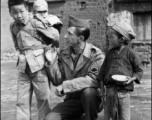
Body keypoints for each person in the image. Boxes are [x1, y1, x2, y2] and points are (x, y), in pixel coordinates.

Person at [44, 15, 105, 120]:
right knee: (50, 118)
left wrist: (65, 86)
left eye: (69, 34)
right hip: (72, 99)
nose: (65, 36)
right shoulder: (64, 54)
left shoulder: (96, 54)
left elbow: (93, 80)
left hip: (91, 100)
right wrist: (51, 61)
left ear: (80, 38)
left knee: (89, 92)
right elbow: (58, 81)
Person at [8, 0, 59, 120]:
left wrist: (48, 50)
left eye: (21, 11)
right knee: (21, 101)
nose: (19, 15)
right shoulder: (13, 26)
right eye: (14, 12)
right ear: (10, 12)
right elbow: (17, 44)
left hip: (39, 67)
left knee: (43, 100)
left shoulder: (36, 22)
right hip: (23, 67)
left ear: (27, 10)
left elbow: (55, 36)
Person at [97, 21, 143, 120]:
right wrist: (101, 89)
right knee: (109, 117)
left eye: (111, 37)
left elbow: (139, 71)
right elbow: (102, 71)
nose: (109, 39)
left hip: (124, 92)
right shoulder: (109, 53)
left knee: (124, 117)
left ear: (122, 39)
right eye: (108, 37)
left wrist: (131, 79)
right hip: (109, 92)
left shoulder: (131, 53)